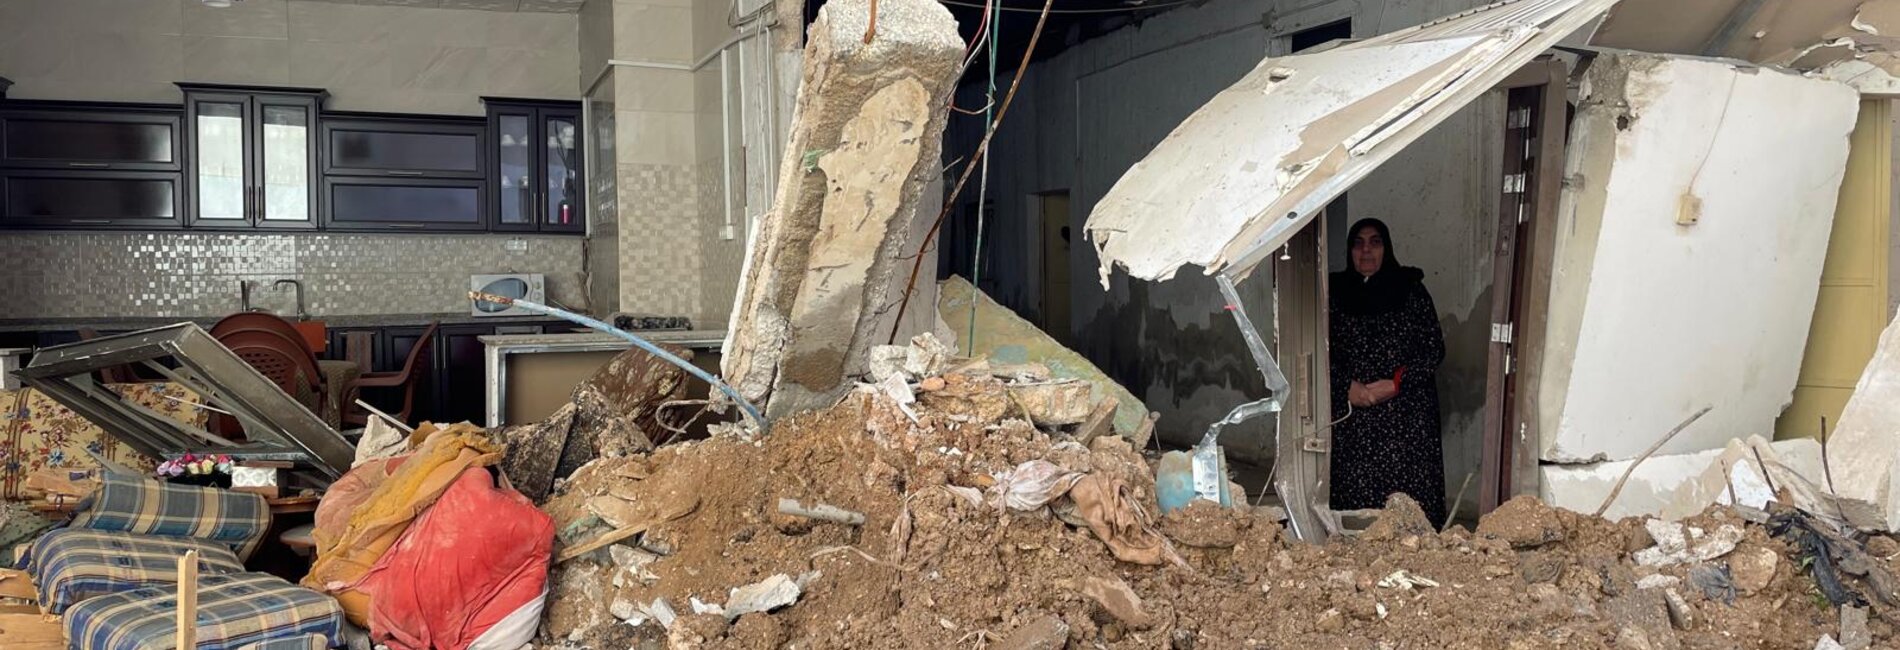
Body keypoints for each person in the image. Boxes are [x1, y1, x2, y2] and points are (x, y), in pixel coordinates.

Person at [1328, 218, 1448, 525]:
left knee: (1406, 505)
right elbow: (1317, 350)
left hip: (1405, 418)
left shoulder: (1410, 290)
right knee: (1358, 505)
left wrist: (1396, 383)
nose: (1366, 251)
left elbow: (1433, 348)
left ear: (1387, 248)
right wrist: (1346, 386)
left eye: (1375, 242)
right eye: (1358, 243)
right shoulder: (1335, 294)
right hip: (1355, 419)